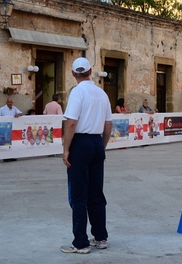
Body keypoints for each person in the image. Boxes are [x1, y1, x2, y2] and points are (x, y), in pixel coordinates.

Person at [61, 57, 113, 254]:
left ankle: (80, 242)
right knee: (96, 192)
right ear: (91, 70)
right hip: (96, 142)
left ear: (73, 73)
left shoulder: (77, 93)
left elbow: (71, 123)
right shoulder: (101, 93)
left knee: (78, 194)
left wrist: (66, 149)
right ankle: (100, 237)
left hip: (81, 143)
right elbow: (108, 125)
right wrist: (103, 145)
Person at [0, 97, 23, 162]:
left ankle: (11, 156)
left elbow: (21, 113)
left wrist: (18, 115)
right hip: (4, 129)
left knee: (12, 143)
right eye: (9, 102)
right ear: (6, 102)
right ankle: (5, 157)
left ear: (13, 103)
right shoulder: (2, 109)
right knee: (5, 143)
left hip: (12, 129)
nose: (10, 103)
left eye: (11, 102)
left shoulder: (15, 108)